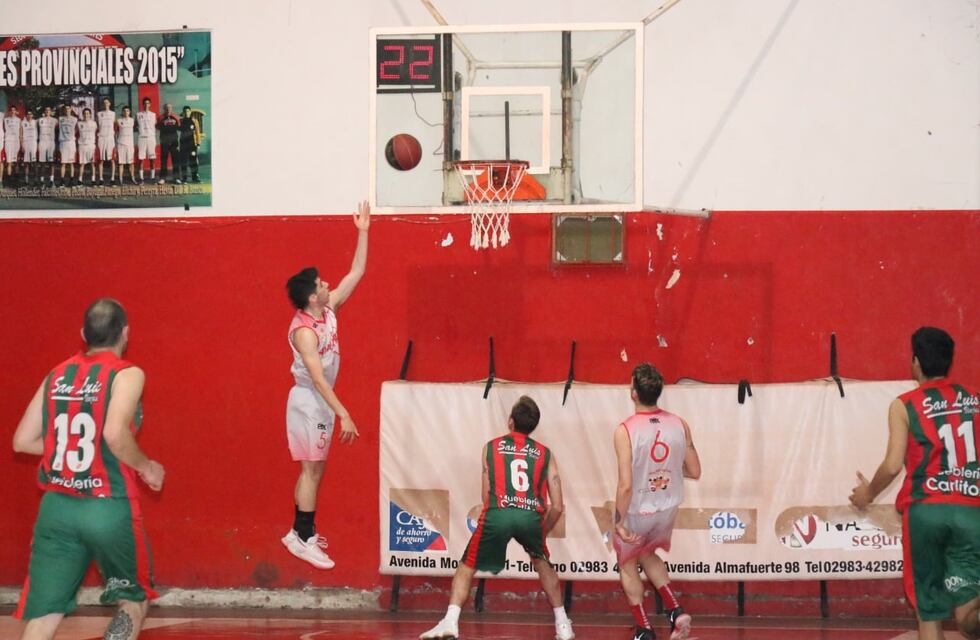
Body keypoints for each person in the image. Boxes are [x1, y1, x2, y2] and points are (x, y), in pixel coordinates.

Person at [11, 298, 165, 640]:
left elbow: (21, 440)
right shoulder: (127, 373)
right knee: (133, 601)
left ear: (83, 334)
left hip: (56, 509)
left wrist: (63, 453)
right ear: (126, 333)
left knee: (45, 614)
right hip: (107, 505)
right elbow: (113, 433)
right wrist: (147, 467)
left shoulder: (56, 374)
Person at [850, 327, 979, 640]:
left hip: (926, 511)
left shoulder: (904, 405)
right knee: (968, 618)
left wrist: (868, 493)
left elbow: (894, 464)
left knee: (929, 612)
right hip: (971, 510)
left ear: (916, 363)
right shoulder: (974, 400)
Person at [420, 396, 575, 640]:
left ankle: (450, 621)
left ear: (510, 421)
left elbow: (486, 495)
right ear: (533, 425)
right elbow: (557, 506)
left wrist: (502, 512)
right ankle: (563, 624)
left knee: (467, 565)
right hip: (530, 516)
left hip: (498, 513)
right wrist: (541, 531)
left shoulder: (491, 447)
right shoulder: (545, 454)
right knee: (543, 563)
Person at [281, 201, 370, 569]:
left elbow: (357, 272)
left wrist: (363, 230)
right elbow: (317, 378)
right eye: (320, 283)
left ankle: (299, 533)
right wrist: (344, 413)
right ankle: (302, 536)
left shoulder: (329, 307)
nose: (326, 282)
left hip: (320, 401)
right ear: (310, 297)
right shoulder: (304, 332)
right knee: (311, 470)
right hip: (309, 400)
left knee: (315, 469)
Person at [613, 363, 700, 640]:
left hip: (640, 508)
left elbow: (626, 486)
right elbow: (695, 471)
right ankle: (676, 611)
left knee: (627, 563)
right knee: (648, 554)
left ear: (633, 392)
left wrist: (618, 522)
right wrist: (666, 473)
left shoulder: (626, 430)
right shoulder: (679, 423)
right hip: (667, 506)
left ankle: (643, 630)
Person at [156, 103, 180, 184]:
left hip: (174, 142)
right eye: (166, 108)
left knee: (176, 160)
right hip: (164, 141)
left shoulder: (176, 117)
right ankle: (162, 178)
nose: (168, 109)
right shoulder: (160, 117)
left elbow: (179, 126)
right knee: (163, 160)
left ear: (171, 108)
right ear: (164, 109)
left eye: (169, 107)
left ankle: (176, 178)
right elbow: (158, 127)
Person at [135, 98, 157, 184]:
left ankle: (152, 178)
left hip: (151, 138)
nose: (146, 105)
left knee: (152, 159)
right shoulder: (138, 114)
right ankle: (141, 179)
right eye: (144, 103)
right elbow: (135, 126)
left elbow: (156, 125)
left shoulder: (153, 115)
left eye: (148, 103)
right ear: (142, 104)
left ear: (150, 104)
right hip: (142, 138)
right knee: (141, 159)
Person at [96, 97, 117, 186]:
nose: (106, 104)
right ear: (102, 104)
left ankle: (112, 179)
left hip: (110, 138)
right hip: (101, 138)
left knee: (112, 159)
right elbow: (97, 126)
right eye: (104, 103)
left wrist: (113, 133)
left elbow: (115, 125)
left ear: (110, 104)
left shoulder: (113, 114)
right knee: (101, 160)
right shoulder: (99, 114)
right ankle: (101, 179)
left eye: (107, 102)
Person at [57, 105, 78, 187]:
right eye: (66, 109)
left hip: (71, 142)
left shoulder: (74, 119)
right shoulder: (60, 119)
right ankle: (62, 180)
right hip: (63, 142)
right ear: (64, 110)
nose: (67, 110)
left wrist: (72, 135)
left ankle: (71, 180)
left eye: (68, 108)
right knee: (63, 163)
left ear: (71, 109)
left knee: (71, 163)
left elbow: (77, 129)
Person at [178, 106, 200, 183]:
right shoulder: (180, 121)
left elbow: (197, 133)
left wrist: (198, 143)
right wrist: (178, 145)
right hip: (183, 144)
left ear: (190, 112)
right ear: (183, 113)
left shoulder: (194, 121)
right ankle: (184, 178)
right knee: (183, 162)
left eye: (188, 111)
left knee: (193, 161)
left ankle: (195, 177)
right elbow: (178, 133)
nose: (186, 112)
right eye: (185, 111)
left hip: (192, 144)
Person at [37, 106, 58, 187]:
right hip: (42, 142)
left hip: (51, 143)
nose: (47, 111)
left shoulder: (55, 120)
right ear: (44, 111)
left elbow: (58, 129)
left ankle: (51, 180)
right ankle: (42, 181)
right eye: (46, 110)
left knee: (51, 162)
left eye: (49, 110)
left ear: (51, 112)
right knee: (42, 163)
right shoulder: (39, 120)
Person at [77, 109, 98, 186]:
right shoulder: (79, 123)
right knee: (82, 164)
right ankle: (80, 180)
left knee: (92, 163)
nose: (86, 115)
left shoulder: (94, 123)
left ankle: (93, 180)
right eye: (85, 113)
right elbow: (76, 133)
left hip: (91, 146)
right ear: (83, 114)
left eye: (88, 113)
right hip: (82, 146)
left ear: (90, 114)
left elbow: (96, 133)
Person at [116, 106, 137, 185]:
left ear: (130, 112)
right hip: (121, 143)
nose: (126, 112)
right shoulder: (118, 120)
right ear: (122, 112)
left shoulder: (132, 120)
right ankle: (120, 180)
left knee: (131, 163)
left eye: (127, 111)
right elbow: (116, 132)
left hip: (130, 144)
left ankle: (133, 178)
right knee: (121, 163)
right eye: (124, 111)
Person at [3, 105, 22, 187]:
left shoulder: (19, 120)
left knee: (16, 162)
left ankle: (16, 180)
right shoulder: (5, 120)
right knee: (9, 162)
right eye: (11, 110)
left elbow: (21, 132)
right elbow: (3, 130)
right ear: (9, 111)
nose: (13, 111)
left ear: (16, 111)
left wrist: (21, 143)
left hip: (16, 142)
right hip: (8, 141)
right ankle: (9, 179)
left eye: (14, 110)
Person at [20, 110, 38, 186]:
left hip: (33, 144)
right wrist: (22, 145)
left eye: (30, 114)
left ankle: (36, 180)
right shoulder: (22, 123)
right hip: (26, 143)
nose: (29, 115)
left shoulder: (35, 122)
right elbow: (20, 135)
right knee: (26, 163)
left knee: (34, 163)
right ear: (26, 115)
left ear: (32, 115)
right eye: (28, 114)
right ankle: (26, 180)